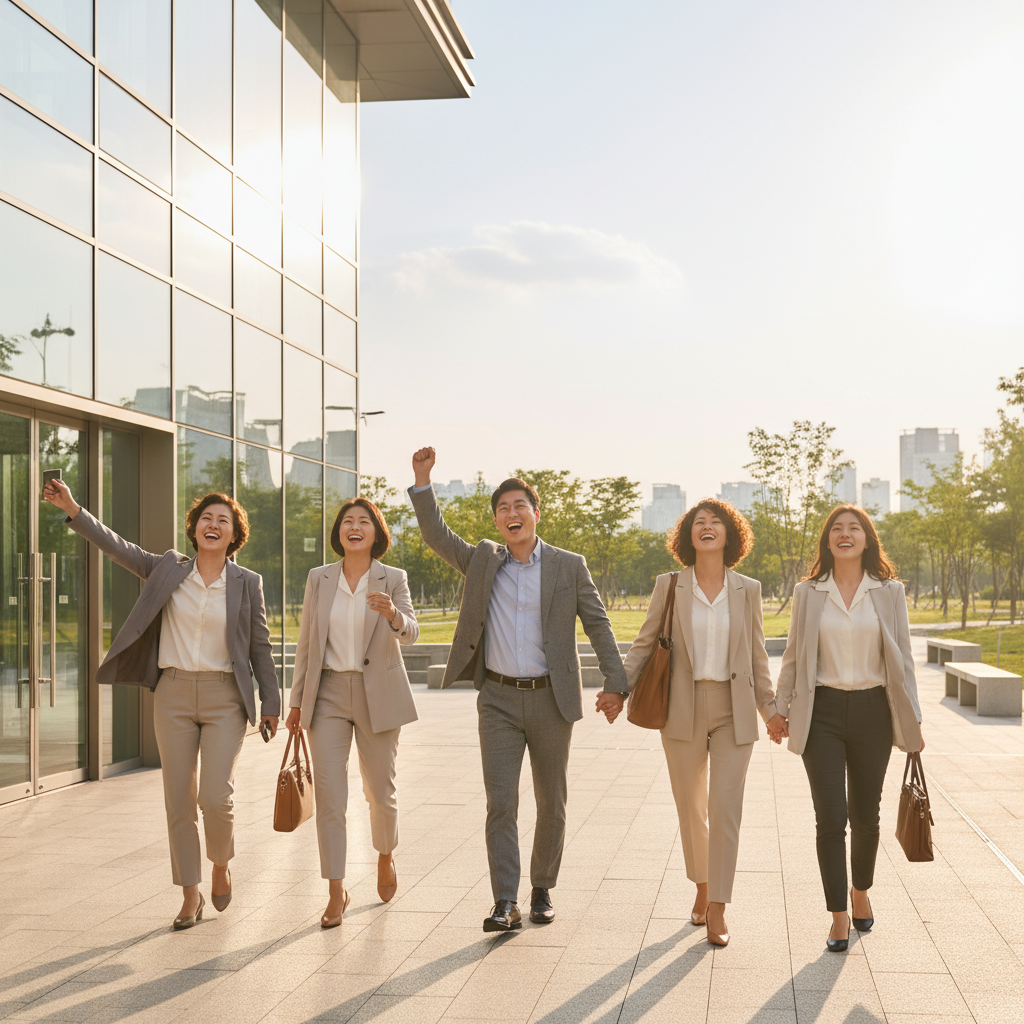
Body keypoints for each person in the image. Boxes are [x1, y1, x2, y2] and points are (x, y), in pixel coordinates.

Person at [42, 479, 279, 930]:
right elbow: (117, 547)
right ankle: (190, 894)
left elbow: (261, 647)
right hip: (171, 693)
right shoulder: (169, 568)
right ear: (195, 529)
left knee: (215, 796)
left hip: (225, 696)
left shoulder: (248, 583)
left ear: (234, 535)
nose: (213, 525)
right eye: (206, 519)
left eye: (222, 521)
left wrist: (271, 700)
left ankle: (220, 862)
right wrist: (74, 509)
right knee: (178, 799)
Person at [408, 447, 628, 932]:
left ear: (536, 513)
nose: (511, 514)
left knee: (552, 801)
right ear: (496, 519)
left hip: (553, 698)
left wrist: (618, 683)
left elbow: (598, 623)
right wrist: (423, 482)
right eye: (502, 508)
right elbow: (436, 536)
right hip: (499, 701)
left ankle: (542, 887)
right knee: (501, 801)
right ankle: (504, 901)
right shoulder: (484, 561)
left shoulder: (570, 566)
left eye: (519, 506)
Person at [624, 500, 786, 948]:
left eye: (716, 522)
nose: (708, 527)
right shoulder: (670, 586)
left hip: (733, 708)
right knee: (691, 807)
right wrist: (617, 689)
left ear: (730, 535)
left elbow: (757, 656)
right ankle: (701, 887)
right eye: (700, 522)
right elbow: (643, 645)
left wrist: (769, 711)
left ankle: (718, 908)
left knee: (725, 809)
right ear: (687, 536)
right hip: (682, 706)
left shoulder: (747, 589)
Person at [775, 505, 924, 952]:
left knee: (865, 814)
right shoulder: (808, 592)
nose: (845, 535)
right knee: (830, 817)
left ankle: (861, 892)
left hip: (873, 710)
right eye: (837, 529)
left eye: (853, 528)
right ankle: (838, 915)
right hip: (820, 712)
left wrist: (913, 717)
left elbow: (905, 659)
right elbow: (794, 656)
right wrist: (780, 709)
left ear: (866, 538)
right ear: (827, 540)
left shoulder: (888, 591)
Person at [286, 498, 419, 927]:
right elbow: (307, 642)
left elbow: (412, 632)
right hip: (326, 694)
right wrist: (295, 703)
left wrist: (393, 614)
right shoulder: (319, 578)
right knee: (330, 797)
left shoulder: (392, 577)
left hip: (378, 693)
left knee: (379, 790)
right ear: (338, 532)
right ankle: (335, 890)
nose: (355, 527)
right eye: (348, 521)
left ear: (376, 532)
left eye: (363, 521)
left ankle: (385, 854)